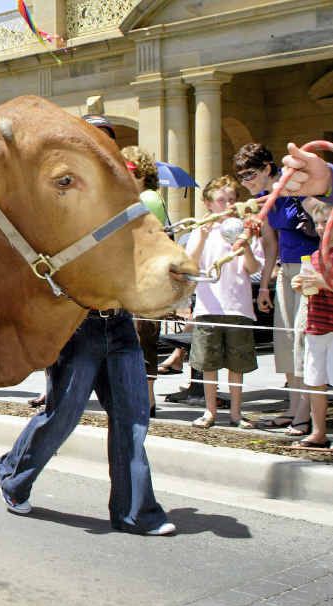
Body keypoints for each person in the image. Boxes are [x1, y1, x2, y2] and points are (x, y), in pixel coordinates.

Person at [0, 114, 176, 537]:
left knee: (132, 420)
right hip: (78, 325)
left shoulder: (130, 206)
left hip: (120, 324)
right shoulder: (59, 202)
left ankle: (136, 513)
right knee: (62, 416)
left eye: (108, 143)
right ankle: (13, 473)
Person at [237, 143, 317, 434]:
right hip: (286, 270)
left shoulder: (295, 184)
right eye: (241, 177)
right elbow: (270, 244)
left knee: (303, 340)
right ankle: (294, 408)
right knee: (285, 341)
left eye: (250, 174)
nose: (245, 181)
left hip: (311, 269)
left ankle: (305, 414)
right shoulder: (264, 200)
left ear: (267, 168)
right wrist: (263, 287)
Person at [184, 176, 263, 428]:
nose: (227, 204)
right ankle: (210, 411)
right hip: (208, 307)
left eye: (231, 199)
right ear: (208, 203)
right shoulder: (200, 230)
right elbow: (190, 264)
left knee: (236, 365)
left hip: (238, 306)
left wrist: (245, 245)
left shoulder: (245, 229)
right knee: (209, 363)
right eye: (221, 200)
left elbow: (253, 268)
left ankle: (236, 413)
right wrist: (202, 237)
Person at [121, 145, 168, 415]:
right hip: (136, 277)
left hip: (147, 278)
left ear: (142, 172)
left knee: (144, 338)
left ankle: (147, 399)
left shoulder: (148, 198)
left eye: (129, 169)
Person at [289, 198, 332, 449]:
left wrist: (321, 281)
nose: (321, 227)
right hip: (316, 325)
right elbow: (310, 288)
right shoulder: (314, 256)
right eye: (317, 223)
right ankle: (318, 432)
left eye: (326, 222)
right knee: (315, 381)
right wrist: (300, 285)